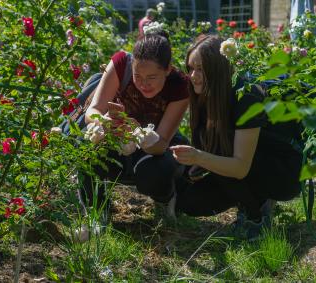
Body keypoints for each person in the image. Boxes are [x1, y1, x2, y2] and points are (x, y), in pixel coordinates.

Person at [171, 35, 303, 241]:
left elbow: (239, 167)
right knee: (190, 203)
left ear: (218, 69)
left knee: (220, 155)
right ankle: (250, 201)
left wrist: (199, 157)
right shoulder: (205, 97)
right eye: (190, 68)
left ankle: (257, 217)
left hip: (283, 171)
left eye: (201, 69)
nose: (193, 75)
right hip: (241, 165)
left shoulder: (245, 96)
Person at [79, 30, 189, 230]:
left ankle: (164, 199)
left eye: (152, 77)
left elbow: (161, 143)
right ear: (131, 66)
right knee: (86, 151)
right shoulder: (121, 64)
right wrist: (102, 122)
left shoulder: (179, 85)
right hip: (116, 141)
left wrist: (140, 134)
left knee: (155, 171)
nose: (144, 84)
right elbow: (92, 111)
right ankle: (97, 209)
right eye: (138, 76)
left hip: (151, 150)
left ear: (167, 70)